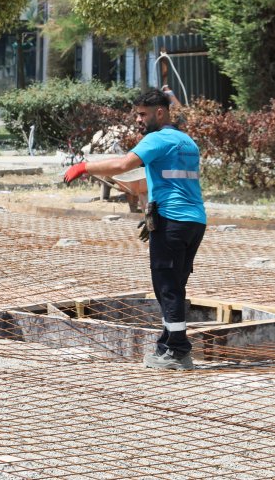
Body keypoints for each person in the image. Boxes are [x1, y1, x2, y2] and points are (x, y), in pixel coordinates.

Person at [64, 88, 205, 371]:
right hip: (193, 220)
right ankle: (167, 343)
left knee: (167, 286)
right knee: (175, 284)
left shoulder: (157, 139)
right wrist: (152, 214)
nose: (139, 120)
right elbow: (173, 183)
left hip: (172, 221)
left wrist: (84, 166)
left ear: (160, 113)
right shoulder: (186, 140)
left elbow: (122, 164)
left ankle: (178, 352)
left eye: (143, 114)